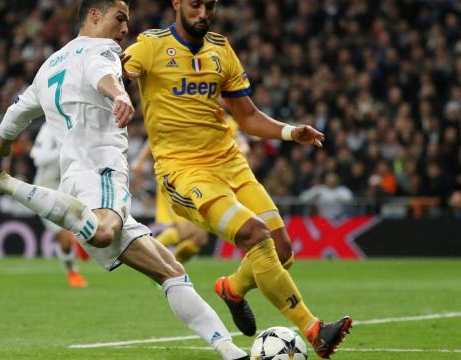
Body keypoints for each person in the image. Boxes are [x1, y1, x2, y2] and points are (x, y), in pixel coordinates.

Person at [0, 1, 247, 358]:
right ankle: (4, 183)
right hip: (101, 171)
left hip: (74, 184)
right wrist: (119, 93)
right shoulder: (101, 49)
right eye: (119, 19)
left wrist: (3, 143)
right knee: (105, 232)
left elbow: (16, 114)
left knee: (170, 270)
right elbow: (99, 71)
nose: (124, 30)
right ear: (93, 15)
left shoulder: (48, 66)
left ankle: (231, 351)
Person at [123, 0, 352, 357]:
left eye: (209, 6)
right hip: (185, 172)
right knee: (254, 235)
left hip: (231, 163)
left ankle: (232, 287)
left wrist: (292, 132)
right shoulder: (150, 46)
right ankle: (314, 329)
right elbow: (111, 69)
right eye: (195, 5)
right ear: (177, 4)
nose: (203, 13)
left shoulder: (221, 49)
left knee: (281, 250)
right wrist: (114, 90)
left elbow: (247, 116)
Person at [131, 115, 249, 263]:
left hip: (203, 183)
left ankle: (171, 267)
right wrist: (140, 161)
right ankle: (150, 256)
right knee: (186, 231)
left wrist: (241, 151)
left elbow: (241, 141)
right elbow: (159, 133)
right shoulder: (188, 112)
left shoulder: (225, 121)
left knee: (199, 239)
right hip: (177, 177)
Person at [30, 122, 88, 288]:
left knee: (85, 223)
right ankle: (72, 272)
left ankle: (81, 242)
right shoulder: (48, 129)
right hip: (44, 190)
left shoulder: (76, 127)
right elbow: (37, 157)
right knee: (63, 237)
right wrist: (63, 150)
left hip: (66, 186)